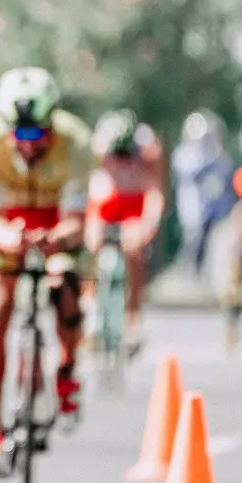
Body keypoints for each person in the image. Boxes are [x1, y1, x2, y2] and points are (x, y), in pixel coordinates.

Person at [0, 66, 93, 474]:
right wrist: (12, 238)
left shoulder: (77, 144)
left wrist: (57, 238)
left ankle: (67, 367)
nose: (30, 144)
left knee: (65, 284)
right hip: (9, 227)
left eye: (38, 133)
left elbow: (77, 222)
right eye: (20, 135)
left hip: (58, 225)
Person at [85, 110, 165, 355]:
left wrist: (147, 226)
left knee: (135, 254)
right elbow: (87, 193)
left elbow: (155, 193)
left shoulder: (149, 151)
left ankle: (132, 320)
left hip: (134, 210)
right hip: (105, 207)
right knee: (91, 246)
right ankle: (89, 305)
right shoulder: (96, 150)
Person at [170, 110, 236, 277]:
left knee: (213, 245)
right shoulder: (183, 154)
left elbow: (225, 172)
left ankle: (206, 279)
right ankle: (189, 275)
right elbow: (191, 172)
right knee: (193, 242)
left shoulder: (215, 153)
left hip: (212, 209)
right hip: (191, 207)